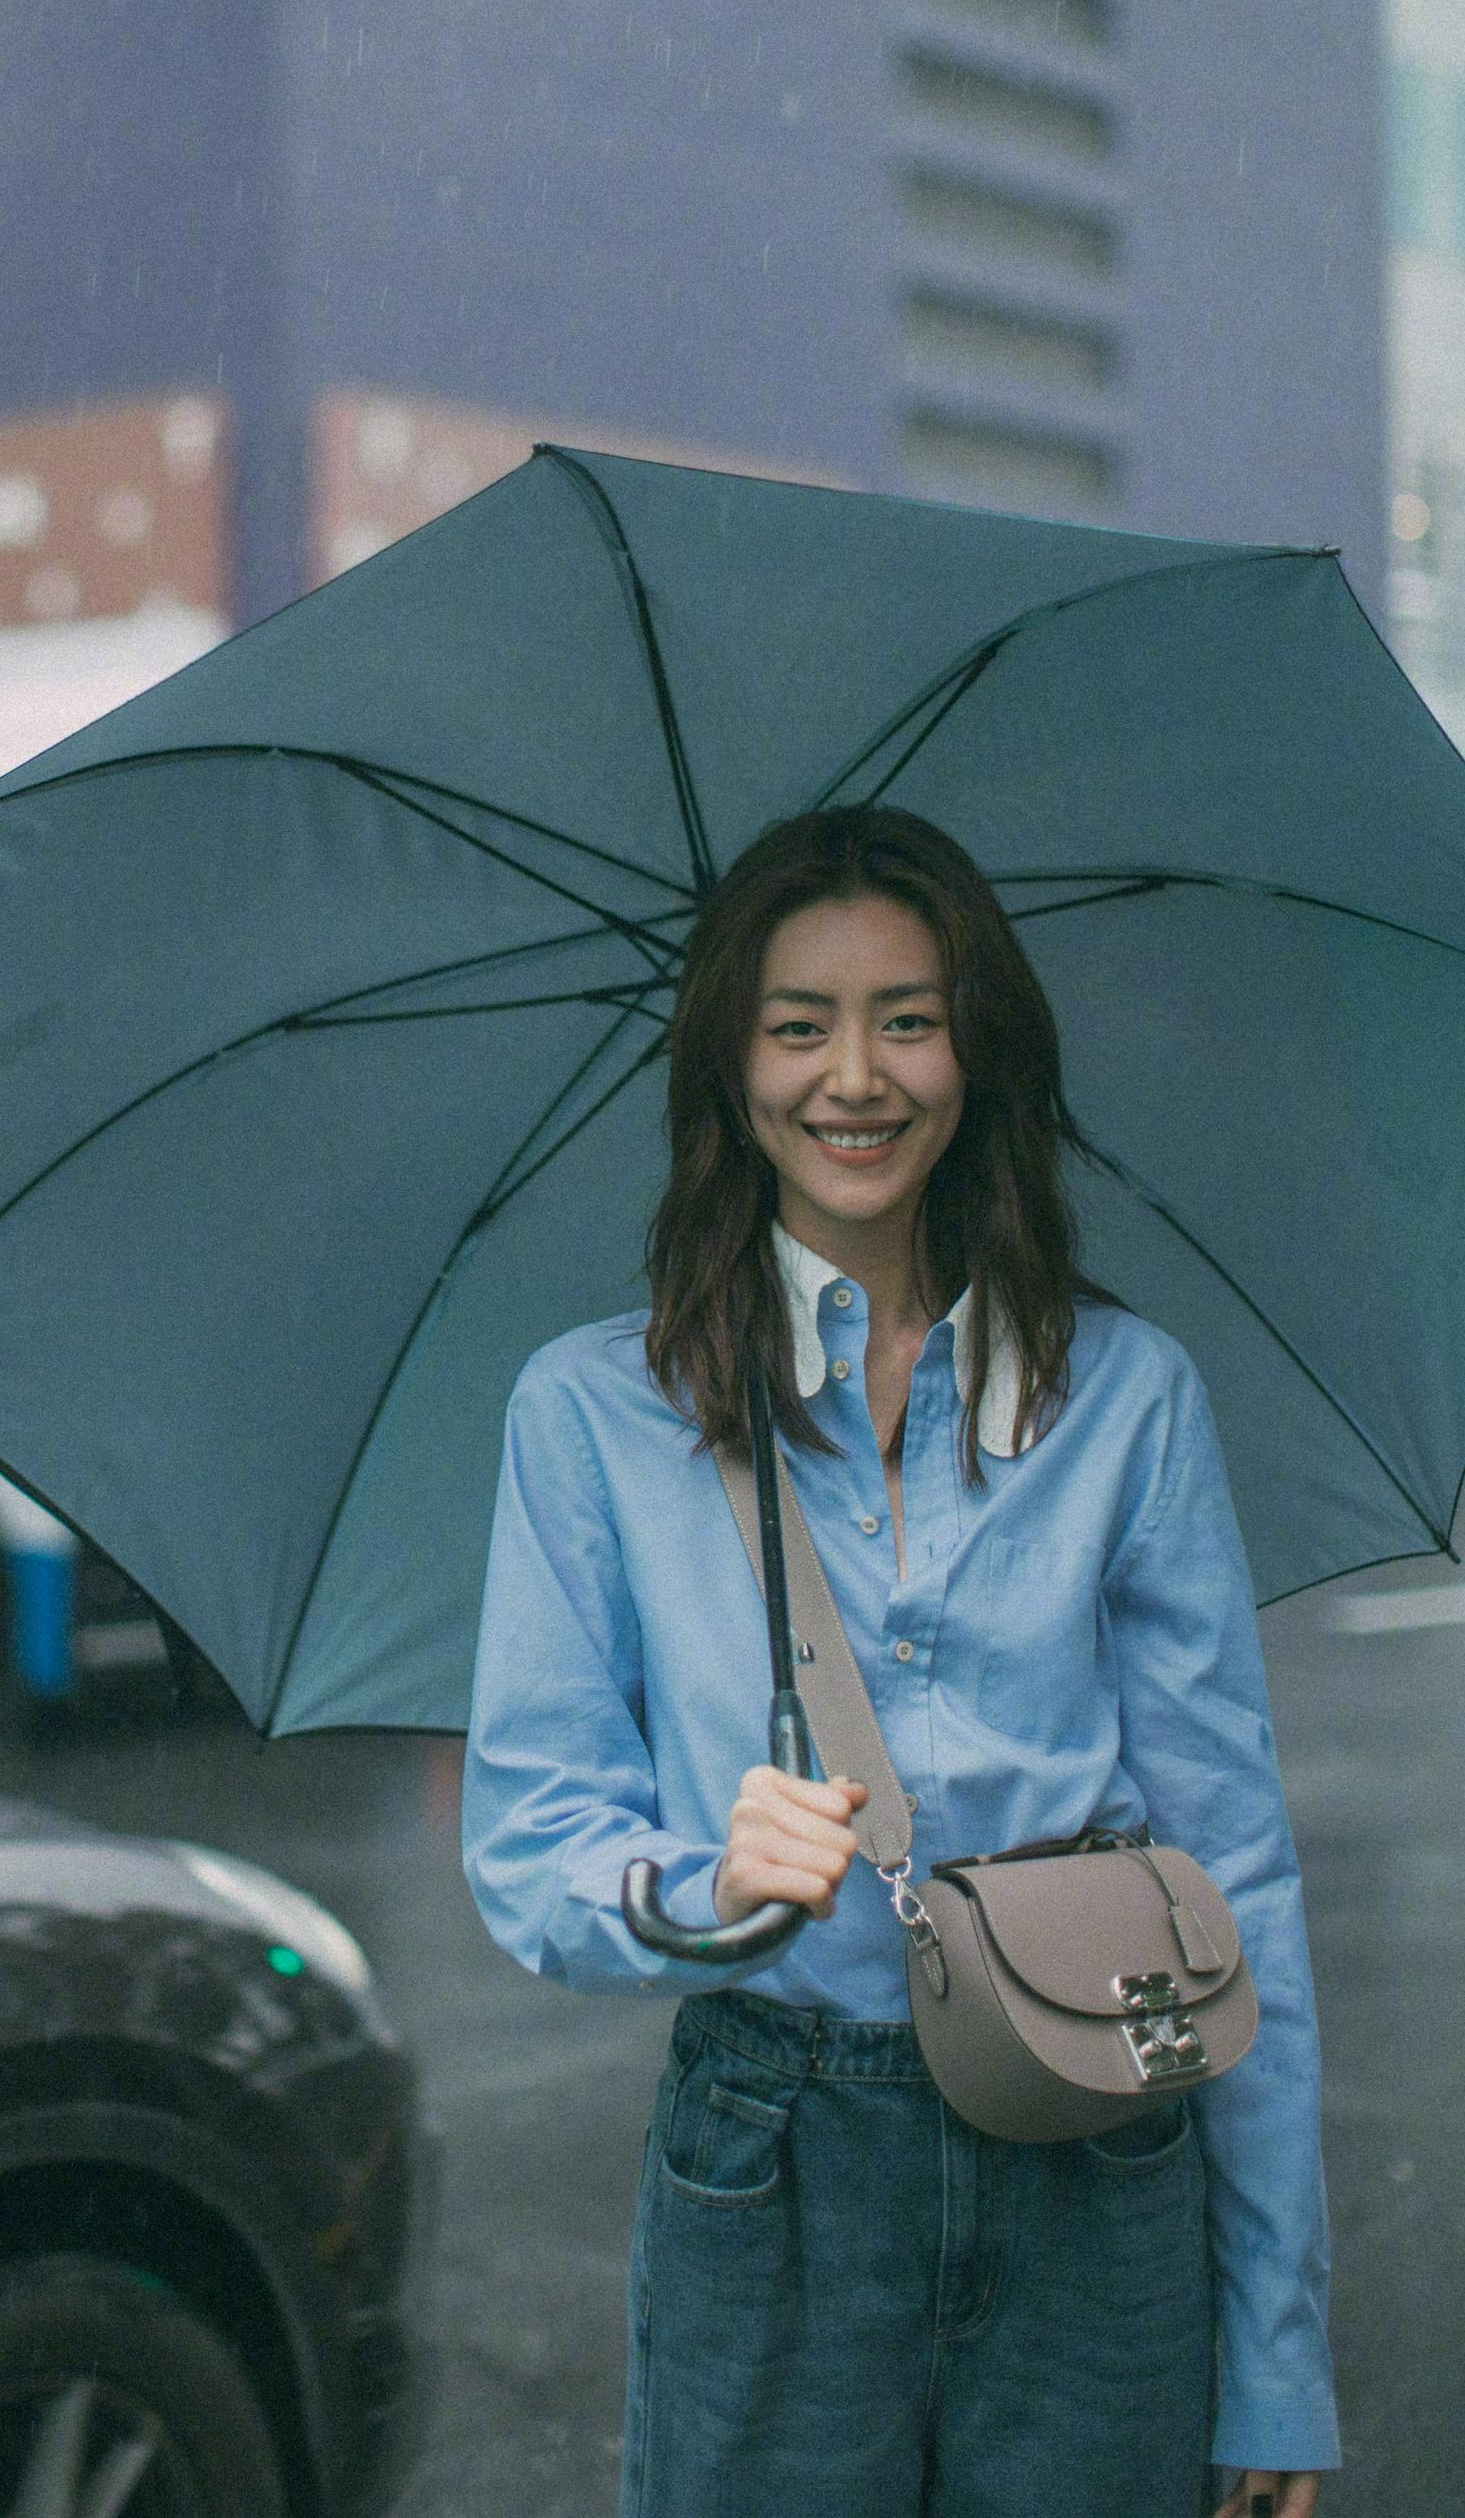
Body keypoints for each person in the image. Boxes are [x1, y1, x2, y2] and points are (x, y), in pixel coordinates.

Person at [463, 804, 1335, 2518]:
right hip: (776, 2158)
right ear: (730, 1069)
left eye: (908, 1020)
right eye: (798, 1026)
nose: (854, 1078)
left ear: (976, 1049)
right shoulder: (594, 1411)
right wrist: (706, 1883)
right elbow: (530, 1835)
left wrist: (1278, 2353)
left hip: (1102, 2137)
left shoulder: (1128, 1397)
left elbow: (1235, 1872)